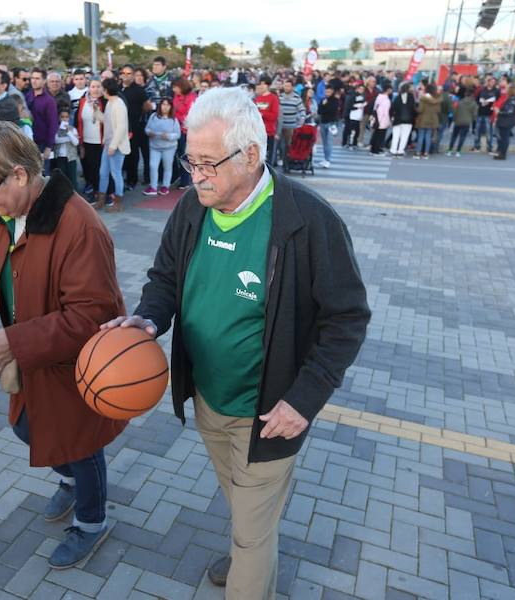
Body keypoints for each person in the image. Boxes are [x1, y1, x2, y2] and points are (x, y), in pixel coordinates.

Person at [102, 87, 369, 600]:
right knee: (243, 506)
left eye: (207, 163)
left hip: (269, 412)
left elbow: (347, 318)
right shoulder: (192, 208)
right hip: (208, 399)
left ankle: (252, 562)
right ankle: (254, 548)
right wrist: (148, 321)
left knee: (251, 528)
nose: (195, 174)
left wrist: (304, 400)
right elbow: (163, 279)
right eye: (190, 160)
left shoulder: (308, 221)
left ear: (251, 155)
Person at [0, 120, 126, 570]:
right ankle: (72, 480)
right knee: (27, 428)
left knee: (80, 443)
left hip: (75, 364)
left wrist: (13, 342)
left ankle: (91, 521)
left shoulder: (80, 225)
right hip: (35, 356)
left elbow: (91, 315)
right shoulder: (8, 214)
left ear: (19, 174)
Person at [97, 77, 130, 212]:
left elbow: (122, 128)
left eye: (102, 88)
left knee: (116, 174)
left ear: (106, 90)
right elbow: (106, 120)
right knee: (103, 172)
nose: (100, 90)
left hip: (116, 147)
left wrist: (113, 146)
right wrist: (96, 111)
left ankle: (118, 203)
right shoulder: (110, 103)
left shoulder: (119, 104)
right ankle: (101, 200)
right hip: (109, 145)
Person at [143, 98, 180, 196]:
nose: (165, 107)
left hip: (169, 147)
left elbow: (177, 134)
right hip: (154, 146)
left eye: (168, 105)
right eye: (163, 104)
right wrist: (149, 133)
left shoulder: (173, 119)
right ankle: (153, 187)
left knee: (167, 166)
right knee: (153, 165)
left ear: (171, 107)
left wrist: (168, 136)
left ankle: (165, 186)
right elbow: (147, 128)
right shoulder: (154, 116)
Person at [119, 64, 147, 191]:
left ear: (133, 74)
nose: (126, 75)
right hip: (118, 126)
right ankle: (122, 178)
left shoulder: (139, 90)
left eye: (129, 73)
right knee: (121, 154)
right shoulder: (117, 88)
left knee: (132, 154)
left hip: (134, 127)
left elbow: (147, 106)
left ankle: (132, 179)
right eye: (124, 73)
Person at [76, 79, 105, 198]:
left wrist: (97, 110)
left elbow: (107, 121)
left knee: (97, 168)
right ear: (89, 88)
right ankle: (92, 187)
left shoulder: (105, 102)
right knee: (88, 167)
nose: (96, 89)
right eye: (93, 86)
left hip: (100, 141)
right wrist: (80, 142)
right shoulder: (82, 101)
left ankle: (98, 191)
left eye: (98, 86)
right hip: (85, 140)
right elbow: (78, 121)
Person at [26, 68, 58, 176]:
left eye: (37, 78)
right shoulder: (28, 95)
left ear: (44, 81)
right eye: (32, 78)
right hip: (27, 141)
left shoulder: (49, 101)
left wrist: (49, 147)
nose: (34, 81)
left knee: (43, 175)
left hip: (42, 144)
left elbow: (53, 125)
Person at [172, 77, 197, 189]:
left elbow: (190, 114)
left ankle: (186, 180)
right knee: (177, 154)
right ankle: (179, 177)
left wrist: (176, 117)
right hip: (176, 128)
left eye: (175, 87)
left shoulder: (191, 97)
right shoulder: (176, 96)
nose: (173, 89)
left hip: (186, 130)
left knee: (184, 155)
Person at [278, 79, 305, 170]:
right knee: (280, 145)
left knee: (289, 145)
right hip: (280, 126)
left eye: (288, 86)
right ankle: (282, 159)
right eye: (285, 86)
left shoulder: (297, 98)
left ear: (292, 87)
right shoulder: (280, 97)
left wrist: (300, 123)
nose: (286, 88)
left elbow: (302, 111)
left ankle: (287, 162)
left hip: (291, 127)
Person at [253, 75, 280, 165]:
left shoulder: (273, 98)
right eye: (260, 84)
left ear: (268, 85)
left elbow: (274, 115)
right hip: (257, 132)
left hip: (269, 132)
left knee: (268, 158)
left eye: (264, 84)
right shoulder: (257, 98)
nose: (261, 86)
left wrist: (262, 114)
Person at [52, 107, 80, 192]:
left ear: (69, 118)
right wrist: (69, 139)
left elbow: (76, 142)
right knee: (62, 179)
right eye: (62, 117)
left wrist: (68, 132)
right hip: (60, 157)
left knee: (72, 179)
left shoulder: (73, 129)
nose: (64, 119)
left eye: (66, 117)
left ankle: (74, 196)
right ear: (59, 118)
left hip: (71, 158)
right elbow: (56, 140)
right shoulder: (56, 129)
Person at [447, 87, 477, 157]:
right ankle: (458, 151)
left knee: (454, 136)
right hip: (467, 122)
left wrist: (454, 119)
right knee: (462, 137)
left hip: (458, 121)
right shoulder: (473, 103)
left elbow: (455, 111)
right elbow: (474, 114)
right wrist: (471, 119)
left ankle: (450, 150)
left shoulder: (460, 102)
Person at [414, 84, 441, 160]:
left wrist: (415, 108)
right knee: (428, 136)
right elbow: (438, 110)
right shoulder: (437, 99)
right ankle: (426, 153)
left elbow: (420, 110)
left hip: (423, 119)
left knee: (421, 136)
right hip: (432, 119)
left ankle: (418, 152)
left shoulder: (423, 98)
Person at [390, 82, 416, 157]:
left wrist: (392, 117)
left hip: (397, 119)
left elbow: (392, 108)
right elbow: (413, 109)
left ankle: (393, 150)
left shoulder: (398, 97)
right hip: (408, 120)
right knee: (404, 136)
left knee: (396, 136)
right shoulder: (411, 97)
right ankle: (400, 150)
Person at [473, 76, 499, 154]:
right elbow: (476, 99)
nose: (492, 83)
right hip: (480, 112)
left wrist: (490, 102)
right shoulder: (482, 90)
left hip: (489, 113)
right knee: (477, 130)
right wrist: (481, 102)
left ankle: (489, 147)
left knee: (489, 131)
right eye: (490, 81)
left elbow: (497, 101)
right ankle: (476, 146)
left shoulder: (497, 91)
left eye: (493, 82)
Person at [493, 83, 515, 160]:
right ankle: (500, 152)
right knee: (503, 138)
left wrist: (498, 112)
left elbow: (508, 112)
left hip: (505, 122)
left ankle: (502, 154)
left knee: (504, 138)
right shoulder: (513, 99)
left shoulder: (512, 100)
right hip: (507, 121)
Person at [316, 84, 338, 168]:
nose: (327, 93)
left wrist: (324, 106)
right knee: (324, 142)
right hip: (322, 123)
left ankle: (328, 159)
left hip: (331, 123)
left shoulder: (335, 100)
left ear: (332, 92)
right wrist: (323, 106)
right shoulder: (323, 99)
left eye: (329, 92)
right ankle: (325, 159)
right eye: (326, 91)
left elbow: (332, 110)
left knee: (329, 142)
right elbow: (319, 111)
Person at [370, 83, 392, 155]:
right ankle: (376, 151)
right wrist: (387, 121)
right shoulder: (385, 99)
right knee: (380, 136)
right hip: (382, 120)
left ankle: (373, 149)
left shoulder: (379, 97)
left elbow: (375, 108)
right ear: (388, 90)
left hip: (377, 119)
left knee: (376, 134)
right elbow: (385, 112)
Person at [342, 83, 366, 149]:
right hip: (349, 115)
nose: (362, 90)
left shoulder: (361, 95)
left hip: (357, 115)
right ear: (357, 89)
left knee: (356, 129)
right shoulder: (351, 95)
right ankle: (345, 143)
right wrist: (358, 107)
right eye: (360, 89)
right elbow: (348, 106)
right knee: (348, 129)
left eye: (363, 89)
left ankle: (353, 143)